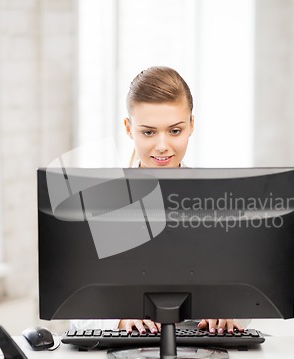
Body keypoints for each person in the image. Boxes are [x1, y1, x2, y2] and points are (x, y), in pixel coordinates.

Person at [72, 66, 249, 335]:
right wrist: (118, 321)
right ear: (129, 129)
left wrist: (226, 310)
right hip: (128, 343)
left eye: (175, 131)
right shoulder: (102, 202)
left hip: (201, 343)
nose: (163, 145)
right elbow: (75, 310)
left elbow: (250, 294)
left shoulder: (218, 200)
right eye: (148, 132)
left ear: (191, 125)